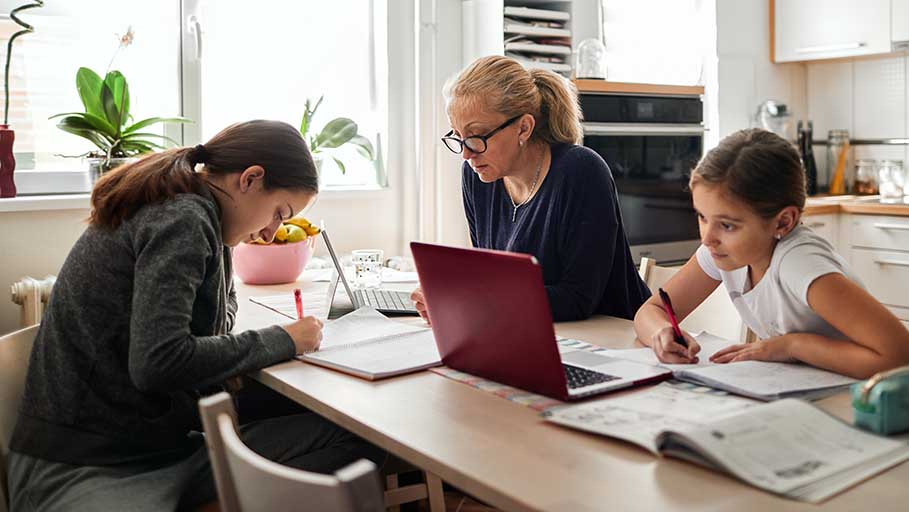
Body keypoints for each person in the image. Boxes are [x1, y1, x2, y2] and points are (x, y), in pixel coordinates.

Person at [7, 120, 385, 511]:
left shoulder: (203, 214)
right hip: (88, 464)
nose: (272, 233)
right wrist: (285, 339)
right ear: (251, 179)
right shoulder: (182, 218)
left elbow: (216, 320)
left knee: (357, 438)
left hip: (149, 443)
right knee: (351, 447)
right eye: (278, 213)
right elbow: (159, 362)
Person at [634, 128, 909, 379]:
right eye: (702, 217)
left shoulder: (800, 264)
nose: (707, 238)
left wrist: (791, 346)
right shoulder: (723, 251)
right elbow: (651, 311)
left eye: (727, 224)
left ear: (783, 222)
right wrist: (662, 333)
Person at [410, 55, 650, 323]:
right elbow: (491, 279)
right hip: (531, 332)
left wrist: (473, 300)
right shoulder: (477, 175)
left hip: (616, 339)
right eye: (458, 136)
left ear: (523, 127)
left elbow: (579, 299)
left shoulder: (582, 172)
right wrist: (451, 296)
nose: (466, 153)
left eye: (476, 137)